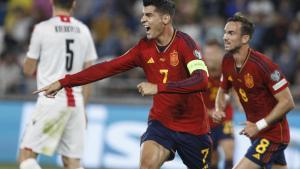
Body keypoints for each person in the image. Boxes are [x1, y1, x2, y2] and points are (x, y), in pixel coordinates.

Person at [35, 0, 213, 168]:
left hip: (194, 128)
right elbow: (106, 68)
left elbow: (201, 80)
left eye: (149, 15)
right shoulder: (143, 49)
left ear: (165, 18)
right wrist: (64, 82)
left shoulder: (185, 44)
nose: (143, 19)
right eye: (143, 15)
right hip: (162, 124)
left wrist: (159, 88)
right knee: (147, 164)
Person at [19, 0, 97, 169]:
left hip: (51, 99)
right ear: (74, 4)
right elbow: (90, 74)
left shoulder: (42, 28)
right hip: (75, 102)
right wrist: (84, 108)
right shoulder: (84, 30)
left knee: (26, 155)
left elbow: (28, 69)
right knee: (72, 163)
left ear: (52, 2)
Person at [213, 13, 295, 169]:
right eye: (225, 32)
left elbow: (288, 102)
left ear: (245, 39)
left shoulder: (263, 65)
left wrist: (259, 125)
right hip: (256, 133)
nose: (225, 37)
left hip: (273, 135)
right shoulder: (227, 60)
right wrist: (219, 108)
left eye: (231, 33)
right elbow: (223, 89)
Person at [203, 39, 235, 169]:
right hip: (205, 120)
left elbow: (235, 89)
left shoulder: (229, 69)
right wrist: (210, 112)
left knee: (229, 150)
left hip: (224, 117)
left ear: (221, 54)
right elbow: (192, 102)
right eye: (208, 54)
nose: (210, 57)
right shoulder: (198, 72)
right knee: (213, 158)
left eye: (213, 54)